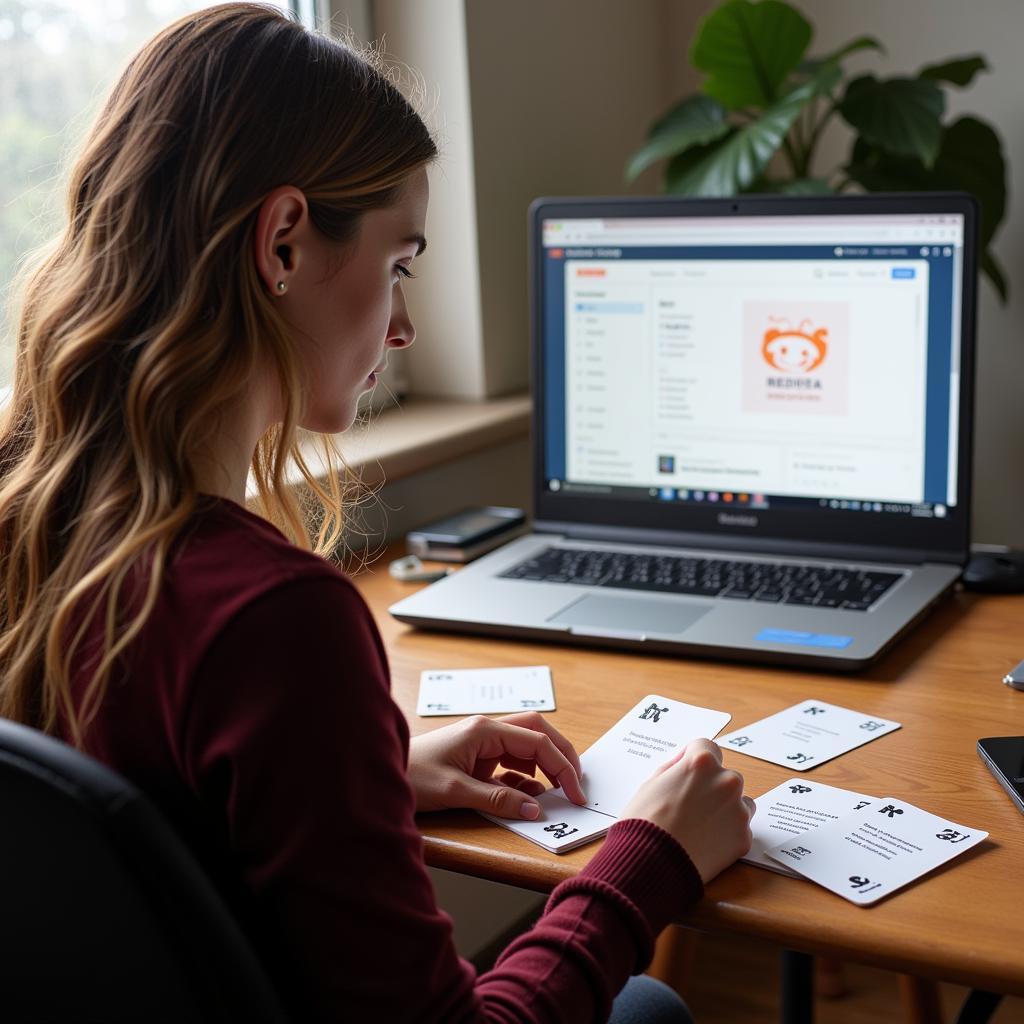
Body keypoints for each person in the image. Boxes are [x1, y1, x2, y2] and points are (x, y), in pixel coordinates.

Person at [0, 4, 754, 1021]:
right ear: (282, 240)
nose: (402, 327)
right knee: (649, 1007)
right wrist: (645, 864)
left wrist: (375, 777)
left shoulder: (33, 517)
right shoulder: (272, 619)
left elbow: (146, 833)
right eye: (400, 264)